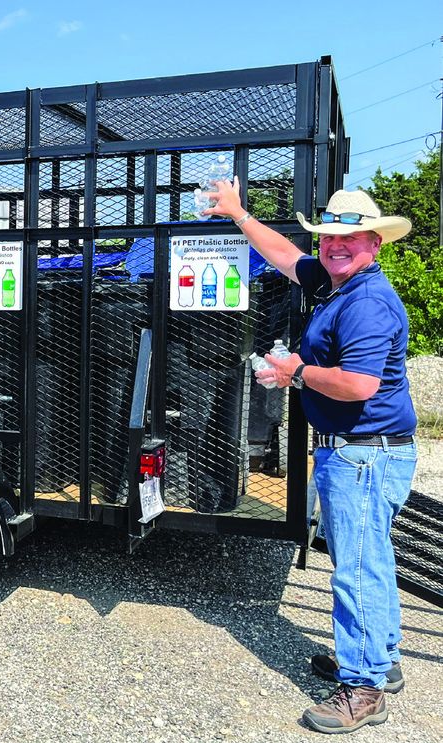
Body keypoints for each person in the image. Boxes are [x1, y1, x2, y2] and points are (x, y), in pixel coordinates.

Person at [205, 181, 416, 734]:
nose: (334, 246)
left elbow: (359, 384)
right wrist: (239, 214)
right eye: (329, 238)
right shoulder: (337, 282)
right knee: (371, 560)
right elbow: (286, 256)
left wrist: (292, 371)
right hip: (363, 454)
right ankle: (379, 659)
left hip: (363, 455)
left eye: (350, 239)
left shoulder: (366, 304)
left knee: (355, 570)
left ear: (375, 242)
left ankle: (364, 687)